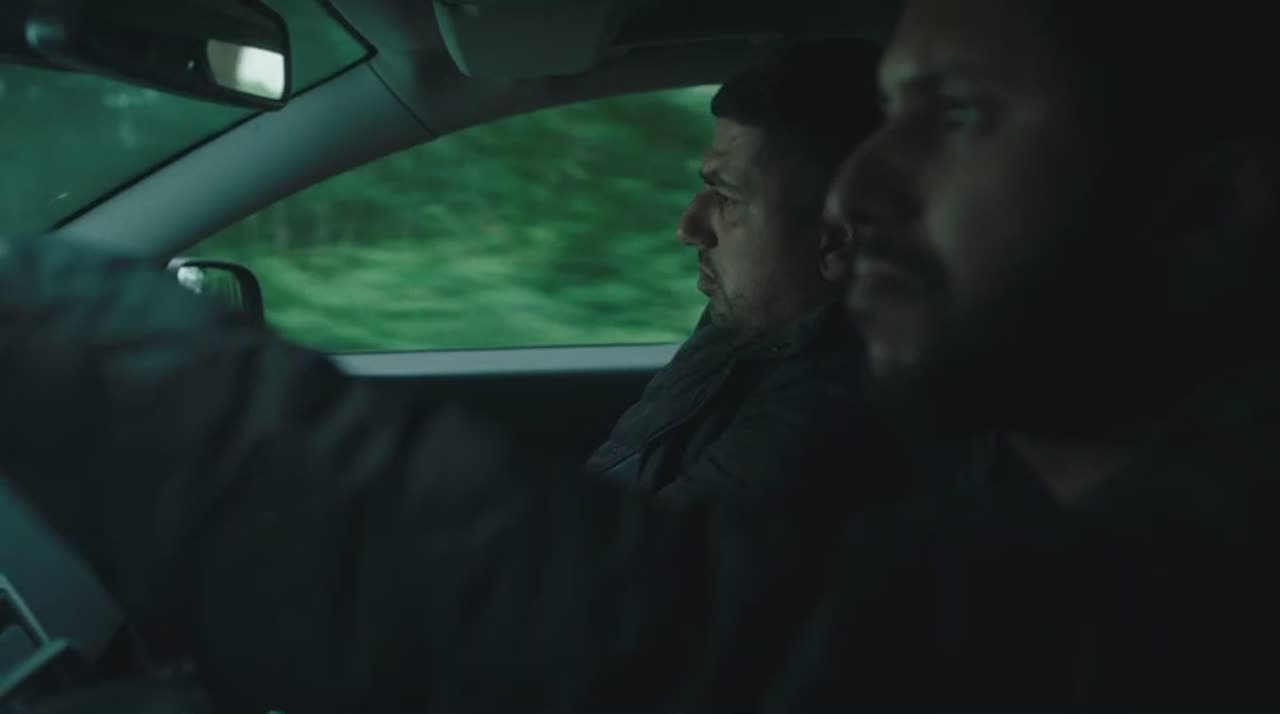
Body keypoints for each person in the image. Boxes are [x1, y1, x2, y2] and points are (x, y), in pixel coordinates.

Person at [3, 0, 1280, 710]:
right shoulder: (1019, 476)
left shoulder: (1211, 586)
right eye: (888, 115)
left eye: (955, 117)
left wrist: (39, 323)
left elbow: (648, 632)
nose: (862, 191)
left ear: (1207, 209)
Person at [585, 41, 920, 520]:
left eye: (728, 197)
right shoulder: (748, 326)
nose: (688, 228)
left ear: (834, 243)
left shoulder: (824, 414)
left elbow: (645, 557)